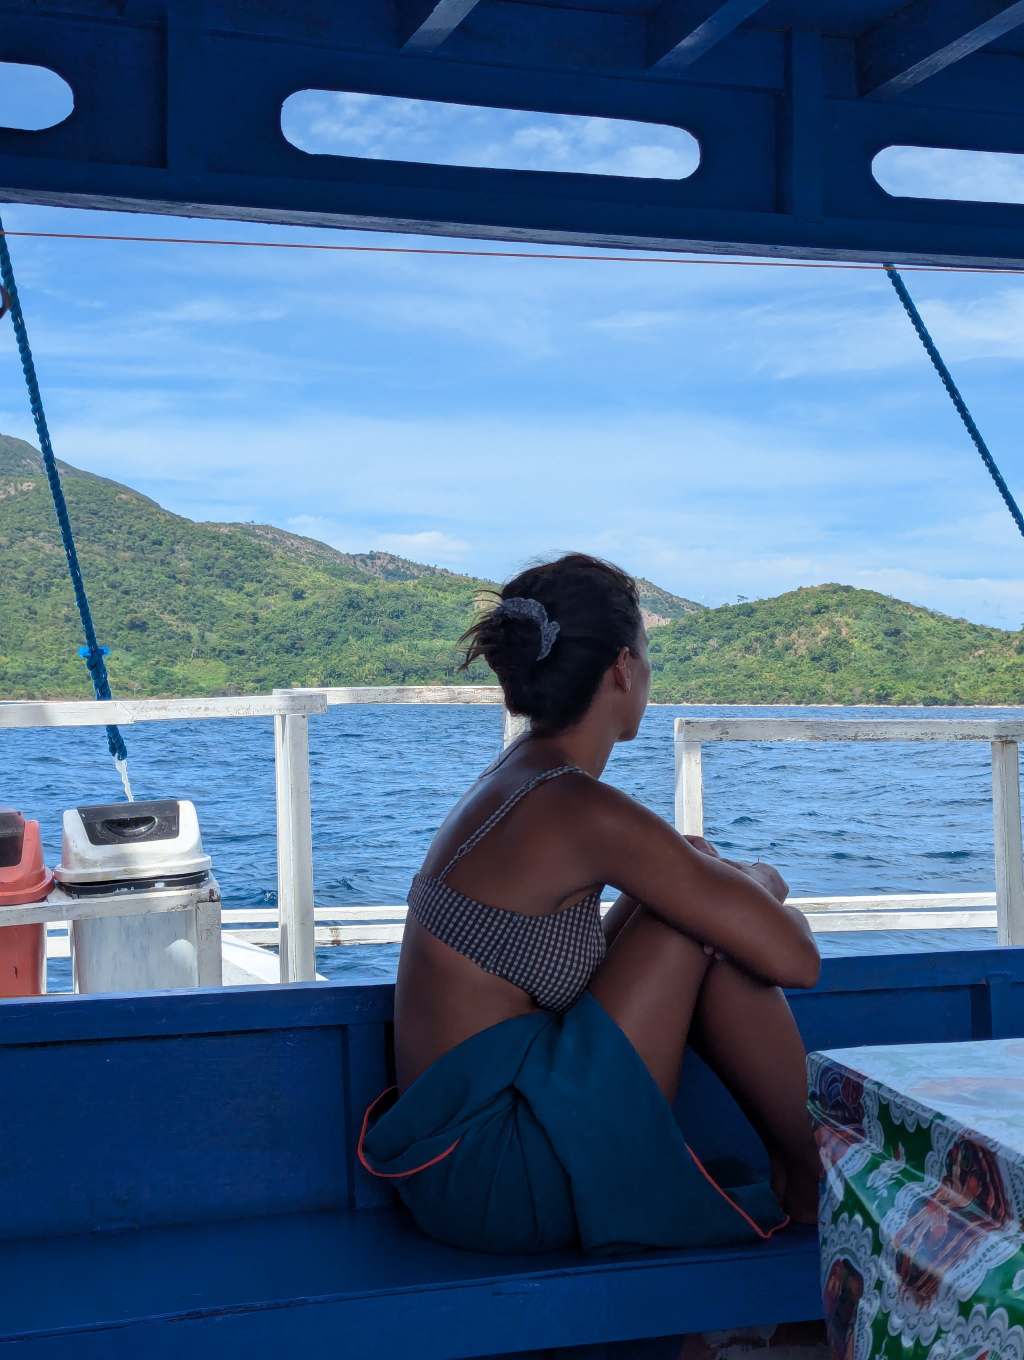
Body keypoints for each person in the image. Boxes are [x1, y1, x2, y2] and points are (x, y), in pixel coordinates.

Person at [360, 553, 821, 1255]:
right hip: (500, 1178)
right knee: (695, 916)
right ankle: (814, 1177)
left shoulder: (516, 779)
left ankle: (806, 1175)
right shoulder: (578, 807)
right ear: (622, 670)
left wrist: (712, 886)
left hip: (453, 1166)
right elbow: (797, 960)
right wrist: (760, 883)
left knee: (687, 877)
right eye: (647, 654)